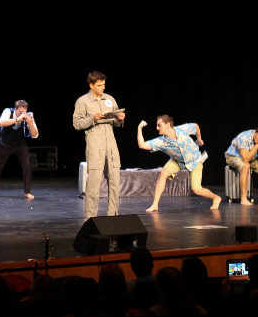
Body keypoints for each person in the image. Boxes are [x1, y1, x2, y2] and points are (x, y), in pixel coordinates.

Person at [137, 115, 221, 212]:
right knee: (163, 173)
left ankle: (216, 198)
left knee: (197, 190)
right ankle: (155, 204)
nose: (157, 128)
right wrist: (139, 128)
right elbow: (142, 145)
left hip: (195, 161)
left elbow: (195, 126)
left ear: (168, 124)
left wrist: (199, 139)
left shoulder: (182, 130)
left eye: (159, 125)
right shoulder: (162, 141)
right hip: (177, 161)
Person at [73, 71, 125, 218]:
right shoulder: (83, 101)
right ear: (91, 85)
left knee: (115, 180)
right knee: (94, 182)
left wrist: (120, 119)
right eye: (99, 85)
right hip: (95, 141)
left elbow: (116, 122)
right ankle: (90, 217)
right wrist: (92, 119)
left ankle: (113, 215)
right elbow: (77, 123)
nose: (103, 88)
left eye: (104, 85)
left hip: (111, 141)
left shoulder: (109, 99)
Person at [0, 100, 39, 200]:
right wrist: (17, 119)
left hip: (20, 144)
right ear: (15, 109)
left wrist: (30, 123)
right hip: (5, 144)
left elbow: (35, 135)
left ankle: (27, 192)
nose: (22, 114)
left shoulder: (28, 116)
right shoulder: (8, 111)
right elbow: (1, 123)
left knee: (27, 166)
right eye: (20, 112)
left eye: (24, 112)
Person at [225, 125, 258, 206]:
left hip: (250, 158)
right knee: (246, 166)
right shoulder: (244, 137)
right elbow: (245, 159)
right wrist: (256, 147)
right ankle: (243, 199)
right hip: (233, 157)